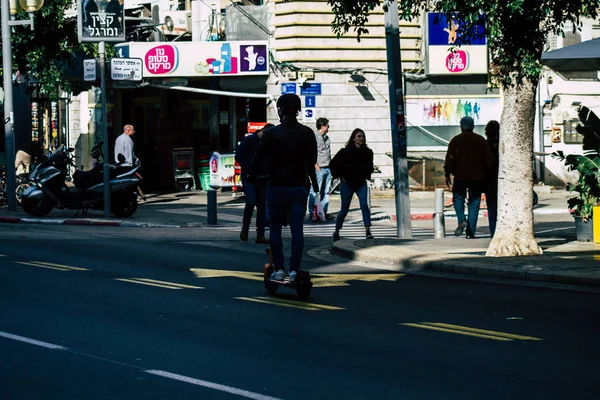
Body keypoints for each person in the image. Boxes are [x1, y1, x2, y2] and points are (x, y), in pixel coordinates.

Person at [249, 94, 318, 283]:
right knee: (297, 230)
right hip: (298, 187)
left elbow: (258, 157)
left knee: (275, 230)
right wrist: (314, 183)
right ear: (297, 110)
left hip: (277, 187)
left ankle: (278, 269)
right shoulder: (307, 133)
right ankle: (295, 269)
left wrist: (253, 176)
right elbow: (312, 162)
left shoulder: (272, 134)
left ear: (280, 111)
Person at [444, 116, 493, 239]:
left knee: (458, 198)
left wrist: (447, 173)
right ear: (473, 127)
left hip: (460, 176)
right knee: (474, 203)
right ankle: (471, 231)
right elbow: (488, 161)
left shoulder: (455, 140)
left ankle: (461, 219)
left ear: (461, 127)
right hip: (477, 177)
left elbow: (449, 158)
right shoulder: (480, 140)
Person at [330, 128, 375, 242]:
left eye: (363, 136)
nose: (361, 138)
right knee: (344, 209)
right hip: (347, 184)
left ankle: (368, 231)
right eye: (359, 136)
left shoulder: (368, 152)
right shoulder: (345, 152)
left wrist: (368, 173)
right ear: (353, 138)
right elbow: (333, 164)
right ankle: (336, 231)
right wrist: (340, 175)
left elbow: (370, 166)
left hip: (361, 183)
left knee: (364, 206)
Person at [235, 123, 274, 244]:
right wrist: (249, 168)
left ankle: (260, 234)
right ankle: (245, 229)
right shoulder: (249, 140)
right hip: (249, 177)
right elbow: (239, 156)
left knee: (262, 205)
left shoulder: (268, 143)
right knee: (251, 201)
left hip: (263, 177)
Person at [307, 117, 332, 219]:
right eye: (327, 125)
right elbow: (310, 153)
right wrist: (317, 167)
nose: (328, 127)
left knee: (325, 192)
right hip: (319, 168)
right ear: (323, 126)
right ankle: (312, 212)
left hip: (328, 168)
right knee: (315, 191)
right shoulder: (314, 137)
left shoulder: (327, 138)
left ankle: (323, 211)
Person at [484, 120, 500, 237]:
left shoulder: (484, 145)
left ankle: (493, 230)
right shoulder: (503, 143)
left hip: (489, 178)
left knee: (492, 206)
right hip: (502, 177)